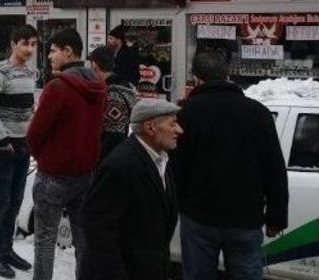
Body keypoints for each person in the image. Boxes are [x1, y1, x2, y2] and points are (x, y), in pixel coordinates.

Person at [171, 51, 289, 280]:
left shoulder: (187, 114)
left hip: (198, 218)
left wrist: (174, 208)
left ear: (196, 77)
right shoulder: (258, 113)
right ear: (226, 75)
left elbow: (175, 167)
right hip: (245, 218)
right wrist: (276, 217)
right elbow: (274, 168)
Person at [26, 28, 107, 280]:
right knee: (83, 238)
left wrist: (44, 156)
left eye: (53, 51)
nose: (49, 57)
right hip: (85, 173)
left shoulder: (58, 87)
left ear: (68, 51)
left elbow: (35, 133)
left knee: (45, 238)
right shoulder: (98, 86)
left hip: (54, 175)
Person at [80, 99, 182, 280]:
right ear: (150, 127)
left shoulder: (162, 160)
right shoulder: (119, 167)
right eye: (172, 124)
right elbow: (99, 232)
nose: (179, 130)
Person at [0, 25, 39, 279]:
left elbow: (28, 110)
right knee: (0, 200)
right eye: (25, 43)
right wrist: (4, 140)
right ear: (14, 43)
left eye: (34, 44)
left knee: (15, 201)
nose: (30, 49)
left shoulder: (31, 73)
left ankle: (6, 249)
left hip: (23, 145)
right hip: (3, 146)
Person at [87, 46, 138, 160]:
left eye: (90, 65)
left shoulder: (113, 95)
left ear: (95, 65)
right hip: (123, 152)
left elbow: (113, 136)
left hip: (111, 158)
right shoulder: (126, 87)